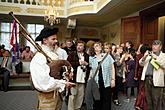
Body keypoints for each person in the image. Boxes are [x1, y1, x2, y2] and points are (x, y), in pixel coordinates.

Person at [30, 27, 75, 110]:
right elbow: (43, 82)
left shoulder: (53, 54)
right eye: (53, 39)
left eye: (56, 39)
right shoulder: (39, 57)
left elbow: (59, 70)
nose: (56, 41)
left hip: (57, 94)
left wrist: (67, 74)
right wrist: (63, 83)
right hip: (47, 97)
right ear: (45, 40)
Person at [88, 42, 115, 110]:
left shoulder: (107, 56)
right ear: (93, 49)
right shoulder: (91, 58)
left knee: (107, 101)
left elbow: (112, 68)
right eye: (96, 46)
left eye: (100, 45)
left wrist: (113, 79)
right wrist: (89, 78)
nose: (99, 46)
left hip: (106, 82)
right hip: (96, 82)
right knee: (97, 101)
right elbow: (91, 70)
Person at [139, 40, 165, 110]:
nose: (154, 47)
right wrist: (144, 57)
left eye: (156, 45)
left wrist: (156, 58)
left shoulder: (163, 56)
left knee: (156, 101)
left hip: (157, 81)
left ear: (160, 47)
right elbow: (140, 64)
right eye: (153, 45)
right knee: (148, 100)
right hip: (147, 80)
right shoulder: (149, 55)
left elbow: (164, 65)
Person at [67, 40, 90, 110]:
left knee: (80, 96)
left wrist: (87, 64)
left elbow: (89, 67)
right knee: (72, 95)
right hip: (74, 78)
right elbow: (68, 64)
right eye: (78, 45)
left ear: (84, 47)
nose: (79, 47)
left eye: (81, 46)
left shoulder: (86, 55)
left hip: (83, 78)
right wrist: (79, 63)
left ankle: (77, 108)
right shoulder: (72, 54)